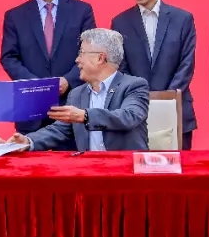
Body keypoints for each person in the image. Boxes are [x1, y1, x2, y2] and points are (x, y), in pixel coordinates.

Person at [0, 0, 95, 137]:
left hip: (71, 106)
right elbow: (9, 58)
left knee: (73, 156)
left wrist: (68, 80)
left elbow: (90, 54)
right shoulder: (15, 16)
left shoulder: (82, 11)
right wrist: (37, 86)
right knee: (29, 155)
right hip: (30, 107)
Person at [9, 29, 149, 152]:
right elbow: (60, 129)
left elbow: (128, 117)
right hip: (89, 168)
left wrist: (85, 116)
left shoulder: (134, 86)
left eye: (81, 53)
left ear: (100, 58)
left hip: (127, 168)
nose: (77, 60)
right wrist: (28, 141)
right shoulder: (77, 94)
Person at [111, 0, 197, 150]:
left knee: (178, 168)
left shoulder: (182, 19)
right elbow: (121, 68)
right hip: (135, 112)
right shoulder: (120, 22)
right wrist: (140, 98)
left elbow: (186, 64)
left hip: (176, 108)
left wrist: (166, 100)